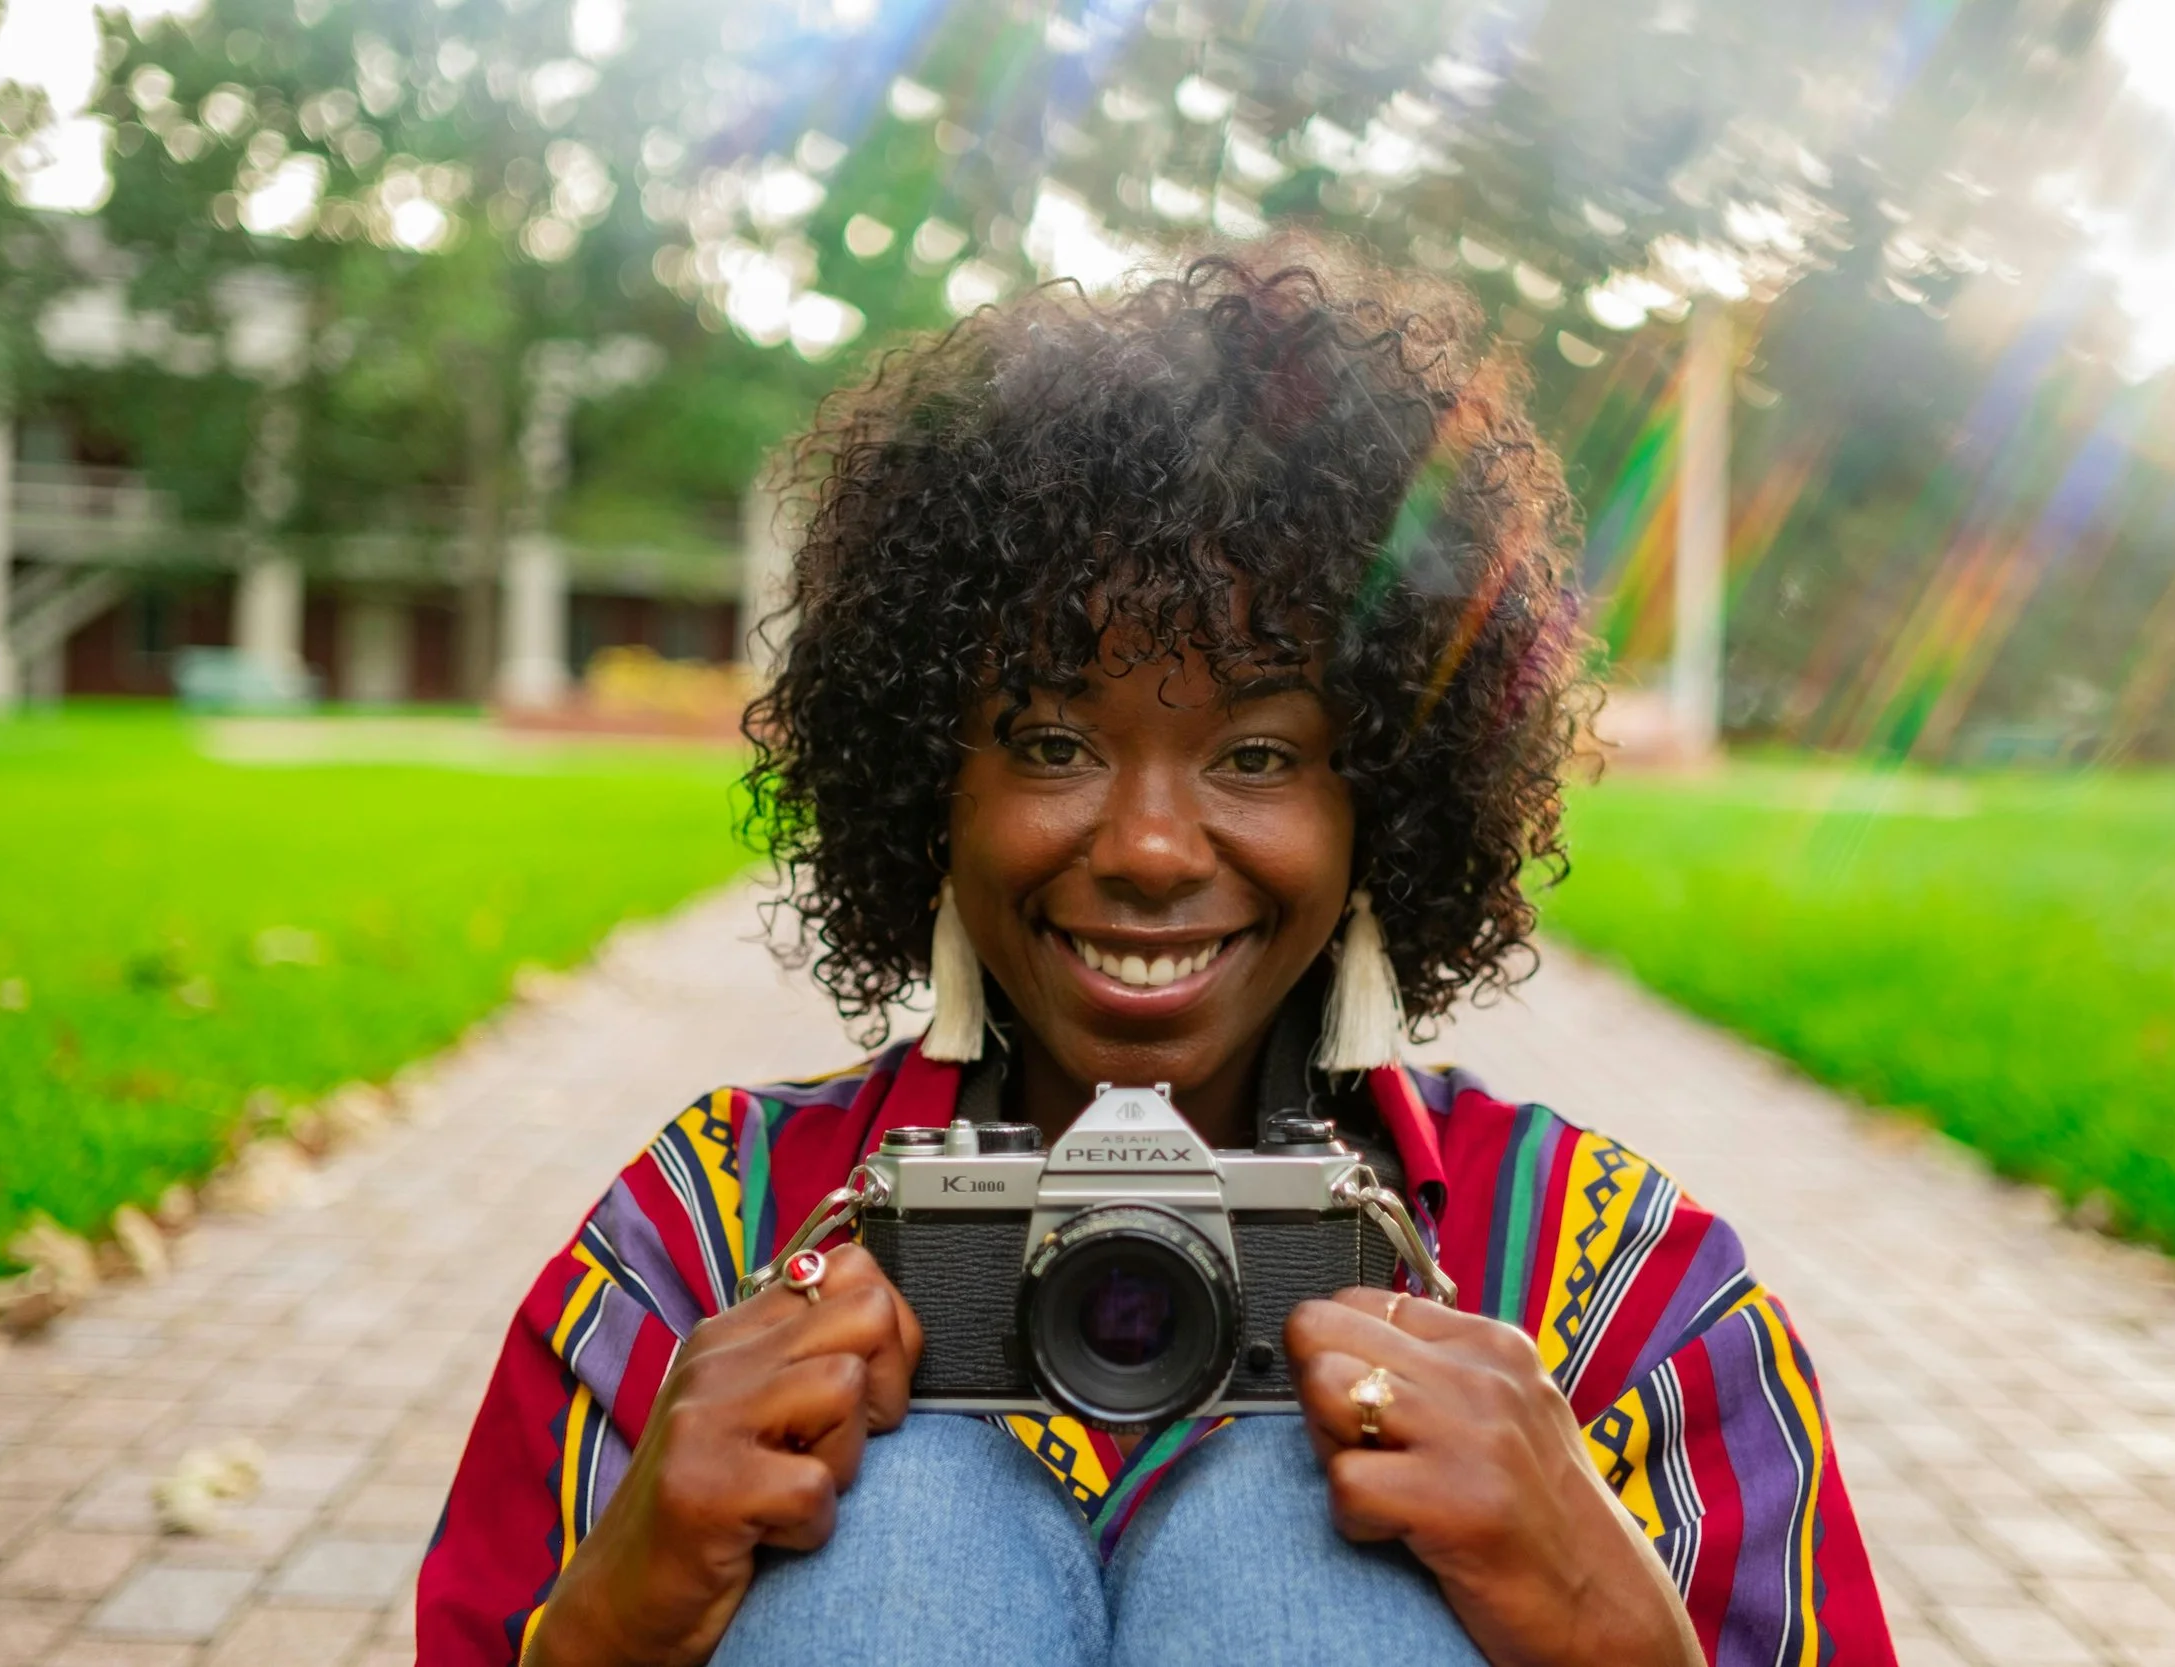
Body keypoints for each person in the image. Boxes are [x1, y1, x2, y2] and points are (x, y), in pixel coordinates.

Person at [417, 238, 1894, 1667]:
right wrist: (616, 1617)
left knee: (1298, 1526)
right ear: (930, 778)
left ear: (1385, 791)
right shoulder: (703, 1248)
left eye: (1258, 751)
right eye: (1054, 742)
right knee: (900, 1512)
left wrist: (1612, 1623)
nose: (1148, 847)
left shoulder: (1610, 1294)